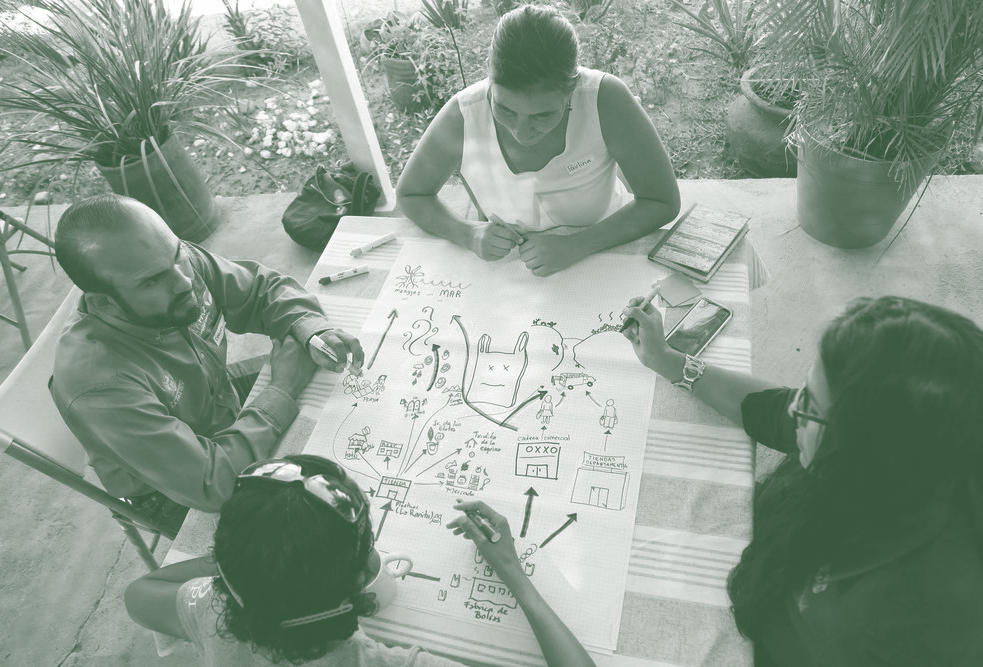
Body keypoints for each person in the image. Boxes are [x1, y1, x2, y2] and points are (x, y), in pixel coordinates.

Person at [621, 294, 983, 665]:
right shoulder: (905, 452)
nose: (795, 408)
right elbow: (772, 410)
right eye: (805, 391)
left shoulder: (894, 623)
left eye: (811, 406)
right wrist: (668, 361)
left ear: (870, 450)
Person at [50, 194, 364, 527]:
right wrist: (281, 390)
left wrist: (310, 328)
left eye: (176, 254)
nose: (184, 282)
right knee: (321, 526)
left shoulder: (170, 265)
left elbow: (262, 290)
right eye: (152, 281)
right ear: (105, 303)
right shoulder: (100, 387)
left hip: (219, 397)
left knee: (339, 391)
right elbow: (212, 484)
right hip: (174, 492)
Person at [125, 454, 596, 667]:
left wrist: (251, 557)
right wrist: (513, 573)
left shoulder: (213, 611)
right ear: (364, 574)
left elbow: (139, 594)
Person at [397, 4, 680, 277]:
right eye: (505, 109)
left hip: (604, 250)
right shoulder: (463, 114)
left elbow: (661, 201)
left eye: (542, 115)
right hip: (507, 272)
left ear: (572, 90)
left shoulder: (606, 99)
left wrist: (579, 244)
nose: (521, 132)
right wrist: (467, 233)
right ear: (490, 81)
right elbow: (412, 194)